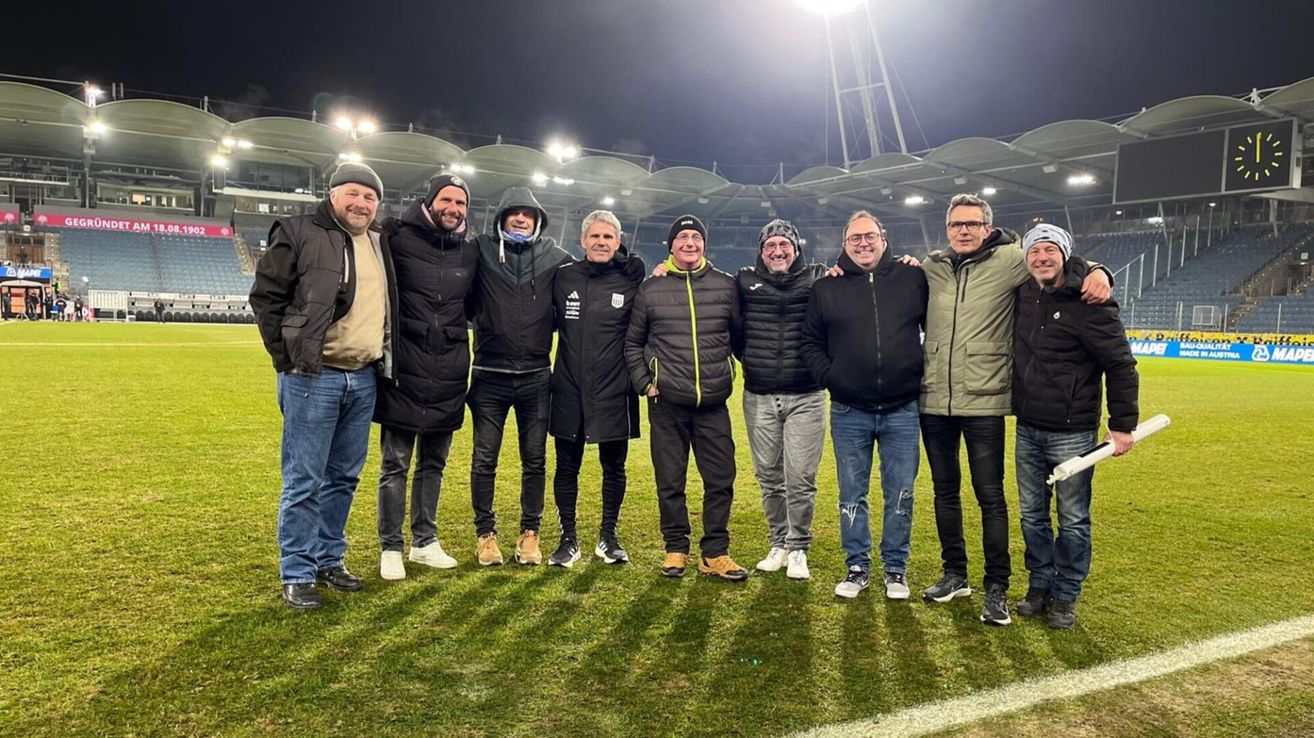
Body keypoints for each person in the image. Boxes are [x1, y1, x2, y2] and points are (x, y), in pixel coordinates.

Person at [919, 193, 1110, 626]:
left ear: (988, 227)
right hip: (933, 401)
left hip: (986, 401)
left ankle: (997, 586)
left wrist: (1097, 270)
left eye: (972, 224)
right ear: (946, 229)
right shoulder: (931, 267)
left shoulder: (1011, 259)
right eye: (955, 225)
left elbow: (1055, 259)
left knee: (991, 497)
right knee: (945, 494)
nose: (963, 231)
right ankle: (955, 574)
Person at [249, 161, 393, 610]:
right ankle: (297, 569)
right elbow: (266, 296)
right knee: (304, 479)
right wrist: (286, 359)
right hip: (314, 376)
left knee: (343, 478)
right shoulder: (298, 230)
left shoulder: (379, 242)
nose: (361, 203)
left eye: (370, 197)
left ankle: (330, 558)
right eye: (353, 193)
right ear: (332, 195)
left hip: (364, 376)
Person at [1011, 224, 1139, 629]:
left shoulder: (1092, 302)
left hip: (1072, 431)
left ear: (1065, 255)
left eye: (1050, 250)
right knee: (1032, 516)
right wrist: (1098, 267)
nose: (1042, 257)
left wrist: (1122, 425)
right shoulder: (1023, 293)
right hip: (1028, 427)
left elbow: (1121, 365)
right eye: (1035, 251)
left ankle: (1066, 594)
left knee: (1073, 518)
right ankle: (1040, 584)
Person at [802, 211, 927, 599]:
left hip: (903, 408)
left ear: (883, 238)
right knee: (851, 493)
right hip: (849, 410)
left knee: (901, 492)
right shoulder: (826, 288)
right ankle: (856, 567)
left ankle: (896, 570)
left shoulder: (912, 277)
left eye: (869, 236)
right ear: (845, 244)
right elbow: (810, 343)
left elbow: (936, 326)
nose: (863, 244)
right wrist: (832, 377)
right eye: (854, 238)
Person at [624, 214, 747, 581]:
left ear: (704, 244)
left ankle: (715, 552)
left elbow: (738, 338)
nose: (689, 243)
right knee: (670, 481)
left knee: (721, 480)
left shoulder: (726, 286)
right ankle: (675, 548)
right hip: (666, 403)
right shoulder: (651, 288)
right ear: (671, 246)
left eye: (696, 237)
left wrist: (730, 370)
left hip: (713, 402)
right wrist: (645, 383)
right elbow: (633, 343)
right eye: (682, 238)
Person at [373, 174, 478, 580]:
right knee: (395, 462)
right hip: (404, 365)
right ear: (430, 202)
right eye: (447, 200)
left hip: (449, 368)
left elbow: (473, 306)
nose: (454, 209)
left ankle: (424, 542)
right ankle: (390, 547)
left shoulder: (469, 253)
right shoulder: (396, 238)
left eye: (462, 203)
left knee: (434, 462)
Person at [467, 187, 573, 566]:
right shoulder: (479, 250)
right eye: (514, 212)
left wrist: (631, 265)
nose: (521, 218)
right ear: (501, 217)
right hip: (488, 377)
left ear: (538, 220)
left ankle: (530, 534)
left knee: (535, 460)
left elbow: (591, 280)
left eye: (528, 214)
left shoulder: (556, 258)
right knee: (484, 460)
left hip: (535, 377)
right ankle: (486, 535)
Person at [546, 210, 645, 568]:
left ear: (618, 243)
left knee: (613, 467)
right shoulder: (563, 277)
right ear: (582, 241)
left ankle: (608, 537)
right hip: (569, 387)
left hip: (615, 388)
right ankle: (567, 540)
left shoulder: (631, 279)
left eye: (609, 237)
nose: (601, 242)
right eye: (595, 237)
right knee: (566, 466)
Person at [736, 219, 829, 581]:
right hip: (759, 395)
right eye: (770, 245)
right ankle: (777, 543)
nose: (777, 251)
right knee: (769, 477)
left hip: (806, 395)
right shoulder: (743, 281)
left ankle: (799, 548)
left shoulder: (818, 277)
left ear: (796, 248)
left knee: (801, 477)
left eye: (784, 245)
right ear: (761, 250)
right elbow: (729, 324)